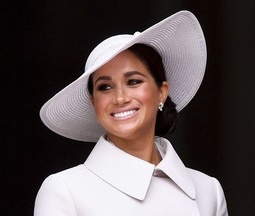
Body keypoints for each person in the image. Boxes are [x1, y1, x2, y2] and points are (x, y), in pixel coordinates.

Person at [34, 10, 228, 216]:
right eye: (105, 87)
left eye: (133, 82)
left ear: (162, 92)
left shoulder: (208, 191)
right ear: (93, 102)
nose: (120, 98)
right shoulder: (65, 191)